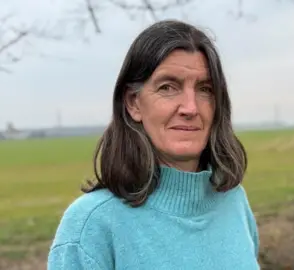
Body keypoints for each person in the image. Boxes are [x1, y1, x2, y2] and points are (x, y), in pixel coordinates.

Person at [47, 19, 259, 270]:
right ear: (133, 103)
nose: (190, 108)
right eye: (168, 87)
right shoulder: (91, 226)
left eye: (205, 89)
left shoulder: (233, 201)